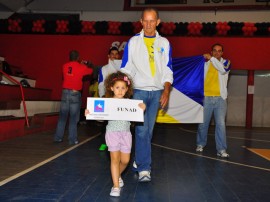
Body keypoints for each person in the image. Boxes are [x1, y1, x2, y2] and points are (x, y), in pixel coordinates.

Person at [120, 8, 173, 182]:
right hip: (139, 92)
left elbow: (167, 69)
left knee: (149, 132)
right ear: (141, 22)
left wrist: (166, 90)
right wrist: (121, 87)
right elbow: (126, 67)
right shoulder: (133, 42)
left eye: (152, 21)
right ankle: (144, 169)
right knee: (142, 131)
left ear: (158, 22)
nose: (149, 24)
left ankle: (138, 159)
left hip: (157, 92)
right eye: (146, 21)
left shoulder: (164, 43)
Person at [85, 71, 146, 197]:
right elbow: (100, 118)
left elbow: (135, 116)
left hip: (126, 134)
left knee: (125, 160)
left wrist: (142, 108)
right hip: (112, 133)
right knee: (115, 159)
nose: (120, 90)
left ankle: (117, 176)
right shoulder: (107, 102)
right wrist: (90, 113)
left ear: (127, 89)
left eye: (123, 88)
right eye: (117, 87)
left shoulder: (130, 103)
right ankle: (116, 186)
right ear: (111, 88)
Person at [196, 43, 231, 158]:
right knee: (203, 124)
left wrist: (211, 59)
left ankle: (221, 149)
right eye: (214, 51)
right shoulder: (205, 63)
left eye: (219, 51)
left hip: (220, 99)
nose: (217, 53)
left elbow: (222, 70)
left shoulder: (226, 63)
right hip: (206, 98)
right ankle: (200, 144)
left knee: (221, 124)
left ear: (222, 53)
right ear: (211, 51)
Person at [54, 50, 93, 145]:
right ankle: (72, 139)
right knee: (73, 118)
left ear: (69, 57)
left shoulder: (64, 66)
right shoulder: (81, 67)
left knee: (62, 117)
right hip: (75, 93)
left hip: (64, 93)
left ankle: (58, 138)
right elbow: (91, 71)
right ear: (78, 57)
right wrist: (87, 63)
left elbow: (70, 73)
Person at [97, 46, 120, 151]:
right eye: (112, 54)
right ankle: (104, 142)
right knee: (106, 122)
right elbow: (101, 84)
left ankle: (119, 143)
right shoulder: (104, 69)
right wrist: (102, 95)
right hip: (108, 97)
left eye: (116, 54)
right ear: (108, 56)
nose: (114, 56)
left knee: (120, 121)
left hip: (121, 99)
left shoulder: (122, 69)